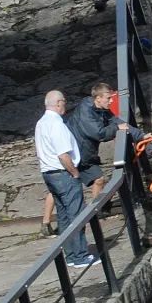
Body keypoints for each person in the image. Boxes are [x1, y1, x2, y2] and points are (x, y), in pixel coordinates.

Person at [39, 82, 143, 237]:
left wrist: (140, 136)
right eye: (108, 98)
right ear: (98, 98)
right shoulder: (85, 111)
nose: (112, 101)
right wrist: (116, 129)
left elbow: (118, 123)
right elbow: (99, 133)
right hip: (73, 155)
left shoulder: (102, 110)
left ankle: (96, 210)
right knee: (57, 191)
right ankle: (45, 223)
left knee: (99, 179)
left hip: (86, 154)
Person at [35, 90, 98, 267]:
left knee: (63, 216)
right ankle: (80, 256)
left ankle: (70, 255)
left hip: (49, 174)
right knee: (76, 214)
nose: (65, 104)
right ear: (57, 103)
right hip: (63, 174)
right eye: (64, 101)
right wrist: (75, 173)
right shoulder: (56, 124)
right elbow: (63, 155)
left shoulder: (41, 123)